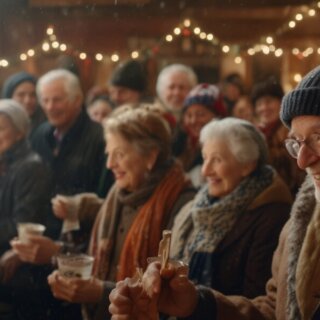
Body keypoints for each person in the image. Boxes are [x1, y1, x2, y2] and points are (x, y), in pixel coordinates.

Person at [108, 65, 320, 319]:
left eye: (318, 138)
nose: (303, 160)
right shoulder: (301, 223)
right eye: (296, 142)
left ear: (247, 164)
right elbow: (276, 310)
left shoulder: (272, 216)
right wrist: (197, 304)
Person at [13, 105, 196, 320]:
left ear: (151, 156)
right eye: (109, 154)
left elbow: (171, 295)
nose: (109, 164)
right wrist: (56, 253)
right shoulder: (119, 193)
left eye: (119, 154)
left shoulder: (180, 203)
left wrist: (101, 292)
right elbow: (99, 260)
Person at [171, 117, 291, 298]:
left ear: (247, 165)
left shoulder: (272, 217)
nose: (205, 170)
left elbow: (257, 300)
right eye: (205, 158)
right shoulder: (193, 208)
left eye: (217, 160)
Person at [31, 68, 107, 239]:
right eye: (45, 100)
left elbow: (105, 197)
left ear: (77, 100)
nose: (50, 107)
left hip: (82, 238)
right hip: (43, 232)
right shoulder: (39, 134)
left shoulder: (101, 137)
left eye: (57, 100)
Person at [0, 99, 52, 319]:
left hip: (21, 275)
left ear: (20, 133)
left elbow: (22, 225)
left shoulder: (31, 167)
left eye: (1, 128)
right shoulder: (5, 161)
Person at [252, 77, 305, 195]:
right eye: (259, 104)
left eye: (269, 101)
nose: (264, 108)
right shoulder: (254, 134)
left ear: (281, 103)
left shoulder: (292, 134)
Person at [172, 83, 226, 188]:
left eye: (200, 114)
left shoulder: (224, 146)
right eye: (189, 115)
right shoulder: (179, 142)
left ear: (217, 116)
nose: (193, 121)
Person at [1, 71, 46, 139]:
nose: (27, 101)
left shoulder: (47, 129)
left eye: (33, 95)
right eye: (21, 95)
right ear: (9, 97)